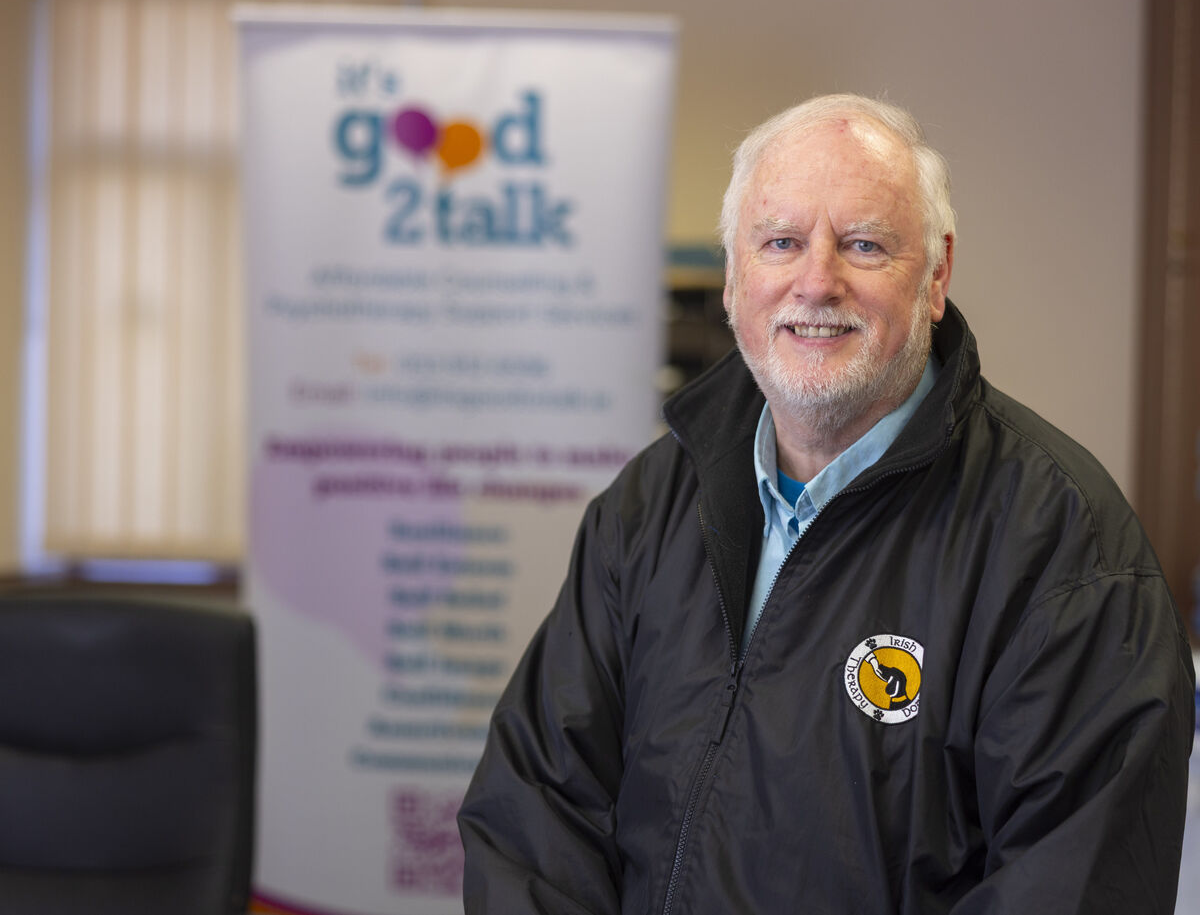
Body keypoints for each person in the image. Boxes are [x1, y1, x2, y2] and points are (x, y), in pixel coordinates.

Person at [457, 94, 1196, 914]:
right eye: (780, 242)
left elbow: (1076, 884)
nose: (817, 281)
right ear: (736, 277)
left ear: (938, 273)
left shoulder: (1064, 547)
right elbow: (532, 810)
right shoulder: (650, 506)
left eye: (864, 245)